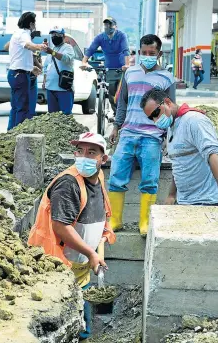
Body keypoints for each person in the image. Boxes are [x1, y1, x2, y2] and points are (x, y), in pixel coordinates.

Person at [28, 132, 116, 341]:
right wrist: (90, 253)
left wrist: (103, 234)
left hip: (79, 265)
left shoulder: (97, 177)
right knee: (57, 321)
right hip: (55, 262)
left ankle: (83, 335)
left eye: (91, 152)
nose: (83, 156)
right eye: (79, 151)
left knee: (82, 321)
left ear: (103, 160)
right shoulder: (69, 184)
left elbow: (100, 209)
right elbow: (61, 227)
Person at [108, 34, 175, 236]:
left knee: (149, 180)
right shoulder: (129, 73)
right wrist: (116, 127)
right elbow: (122, 103)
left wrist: (166, 135)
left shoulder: (166, 78)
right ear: (139, 52)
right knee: (116, 177)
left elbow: (169, 109)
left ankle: (144, 223)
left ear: (159, 54)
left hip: (152, 137)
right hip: (128, 134)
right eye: (143, 52)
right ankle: (115, 220)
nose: (147, 56)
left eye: (151, 53)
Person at [140, 89, 218, 207]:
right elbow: (179, 164)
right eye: (151, 118)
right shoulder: (172, 127)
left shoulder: (194, 121)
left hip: (207, 202)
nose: (155, 120)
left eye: (156, 113)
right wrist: (172, 195)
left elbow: (213, 153)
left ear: (168, 102)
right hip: (185, 202)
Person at [80, 17, 130, 116]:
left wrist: (127, 64)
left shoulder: (121, 36)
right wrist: (84, 62)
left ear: (115, 26)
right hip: (109, 68)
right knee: (111, 92)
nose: (108, 27)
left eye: (110, 25)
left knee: (121, 93)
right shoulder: (100, 37)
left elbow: (126, 51)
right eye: (106, 25)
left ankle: (124, 113)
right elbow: (91, 50)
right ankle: (117, 113)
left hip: (121, 68)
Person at [7, 12, 47, 130]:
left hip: (15, 74)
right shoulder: (24, 34)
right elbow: (29, 46)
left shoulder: (17, 34)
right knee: (23, 108)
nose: (35, 25)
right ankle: (18, 135)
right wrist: (41, 46)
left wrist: (31, 68)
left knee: (15, 107)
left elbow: (21, 55)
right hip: (20, 76)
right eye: (34, 22)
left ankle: (11, 133)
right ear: (30, 24)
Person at [42, 27, 76, 115]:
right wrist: (44, 81)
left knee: (66, 114)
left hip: (63, 87)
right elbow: (46, 67)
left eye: (57, 34)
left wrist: (52, 52)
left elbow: (66, 58)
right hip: (50, 87)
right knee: (52, 115)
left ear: (63, 36)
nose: (54, 37)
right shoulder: (52, 49)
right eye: (52, 35)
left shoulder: (68, 48)